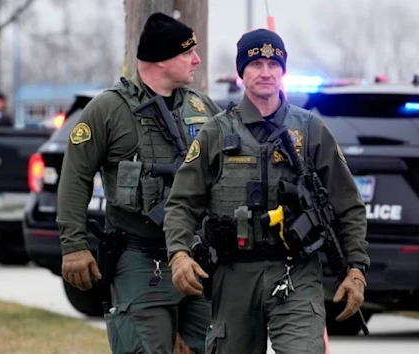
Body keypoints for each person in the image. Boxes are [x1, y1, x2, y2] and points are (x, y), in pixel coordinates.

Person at [163, 29, 370, 354]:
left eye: (274, 64)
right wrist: (178, 255)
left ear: (283, 71)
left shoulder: (310, 129)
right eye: (256, 63)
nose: (266, 72)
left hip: (296, 271)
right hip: (233, 275)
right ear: (241, 71)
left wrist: (356, 270)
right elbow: (182, 203)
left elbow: (348, 205)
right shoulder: (216, 131)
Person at [56, 12, 222, 354]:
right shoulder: (108, 110)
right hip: (140, 259)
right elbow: (75, 177)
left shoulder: (202, 108)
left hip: (199, 258)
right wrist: (73, 245)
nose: (197, 59)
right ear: (160, 60)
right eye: (186, 52)